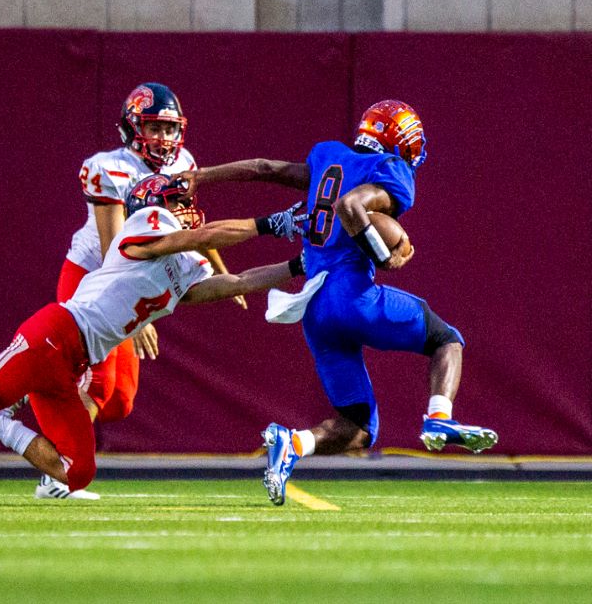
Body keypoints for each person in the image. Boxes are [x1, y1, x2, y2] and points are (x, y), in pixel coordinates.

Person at [0, 174, 307, 505]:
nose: (190, 206)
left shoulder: (186, 266)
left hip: (76, 361)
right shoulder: (145, 228)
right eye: (181, 199)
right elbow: (199, 235)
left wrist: (296, 265)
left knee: (77, 472)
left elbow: (240, 281)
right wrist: (270, 224)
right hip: (55, 334)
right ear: (157, 204)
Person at [175, 99, 498, 506]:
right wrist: (383, 256)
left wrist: (202, 176)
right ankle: (439, 418)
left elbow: (264, 168)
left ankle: (291, 443)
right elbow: (350, 206)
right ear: (399, 140)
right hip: (352, 296)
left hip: (314, 306)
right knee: (446, 339)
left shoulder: (329, 157)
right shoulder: (391, 170)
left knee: (359, 426)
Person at [39, 82, 245, 499]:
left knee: (119, 401)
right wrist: (135, 321)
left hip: (132, 277)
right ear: (132, 127)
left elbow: (190, 225)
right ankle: (57, 470)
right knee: (98, 385)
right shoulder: (109, 168)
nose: (165, 139)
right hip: (93, 277)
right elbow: (116, 249)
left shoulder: (183, 163)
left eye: (170, 129)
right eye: (155, 128)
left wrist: (225, 273)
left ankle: (37, 381)